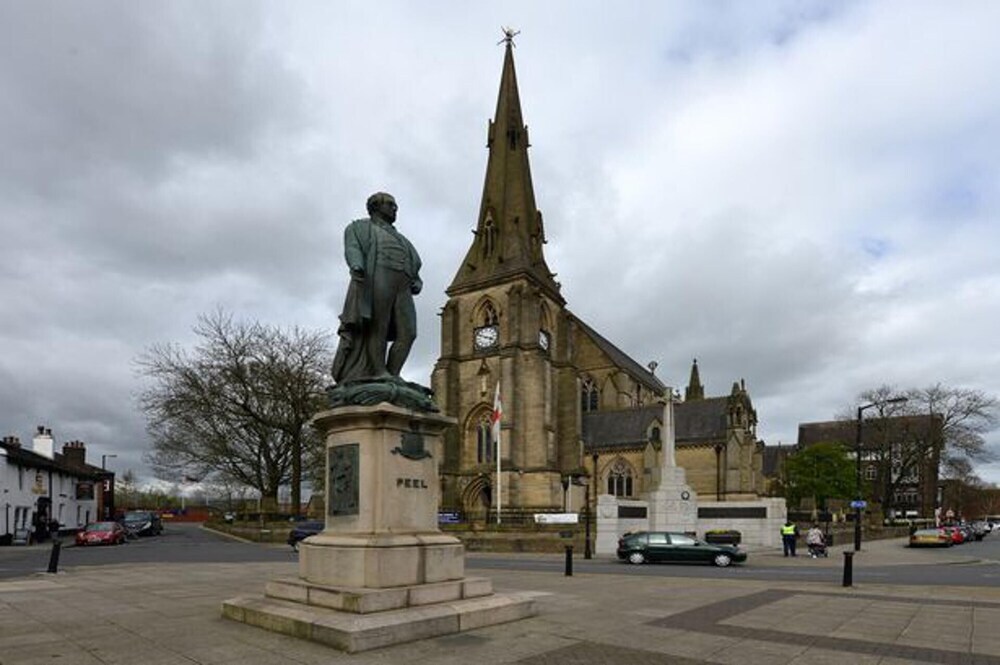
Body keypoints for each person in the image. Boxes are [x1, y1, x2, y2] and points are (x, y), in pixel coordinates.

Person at [331, 192, 423, 383]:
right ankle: (379, 371)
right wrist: (356, 265)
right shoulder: (359, 228)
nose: (395, 208)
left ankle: (393, 373)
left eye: (395, 205)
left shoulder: (402, 240)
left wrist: (417, 280)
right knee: (378, 326)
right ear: (375, 207)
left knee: (409, 332)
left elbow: (414, 264)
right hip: (378, 275)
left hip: (403, 284)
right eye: (390, 204)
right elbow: (352, 248)